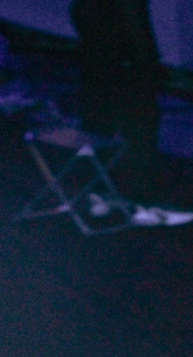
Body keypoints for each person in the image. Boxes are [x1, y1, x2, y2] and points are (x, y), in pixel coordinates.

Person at [70, 0, 193, 226]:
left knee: (99, 125)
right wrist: (149, 66)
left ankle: (96, 195)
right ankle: (143, 204)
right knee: (140, 130)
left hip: (98, 68)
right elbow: (135, 26)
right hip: (126, 70)